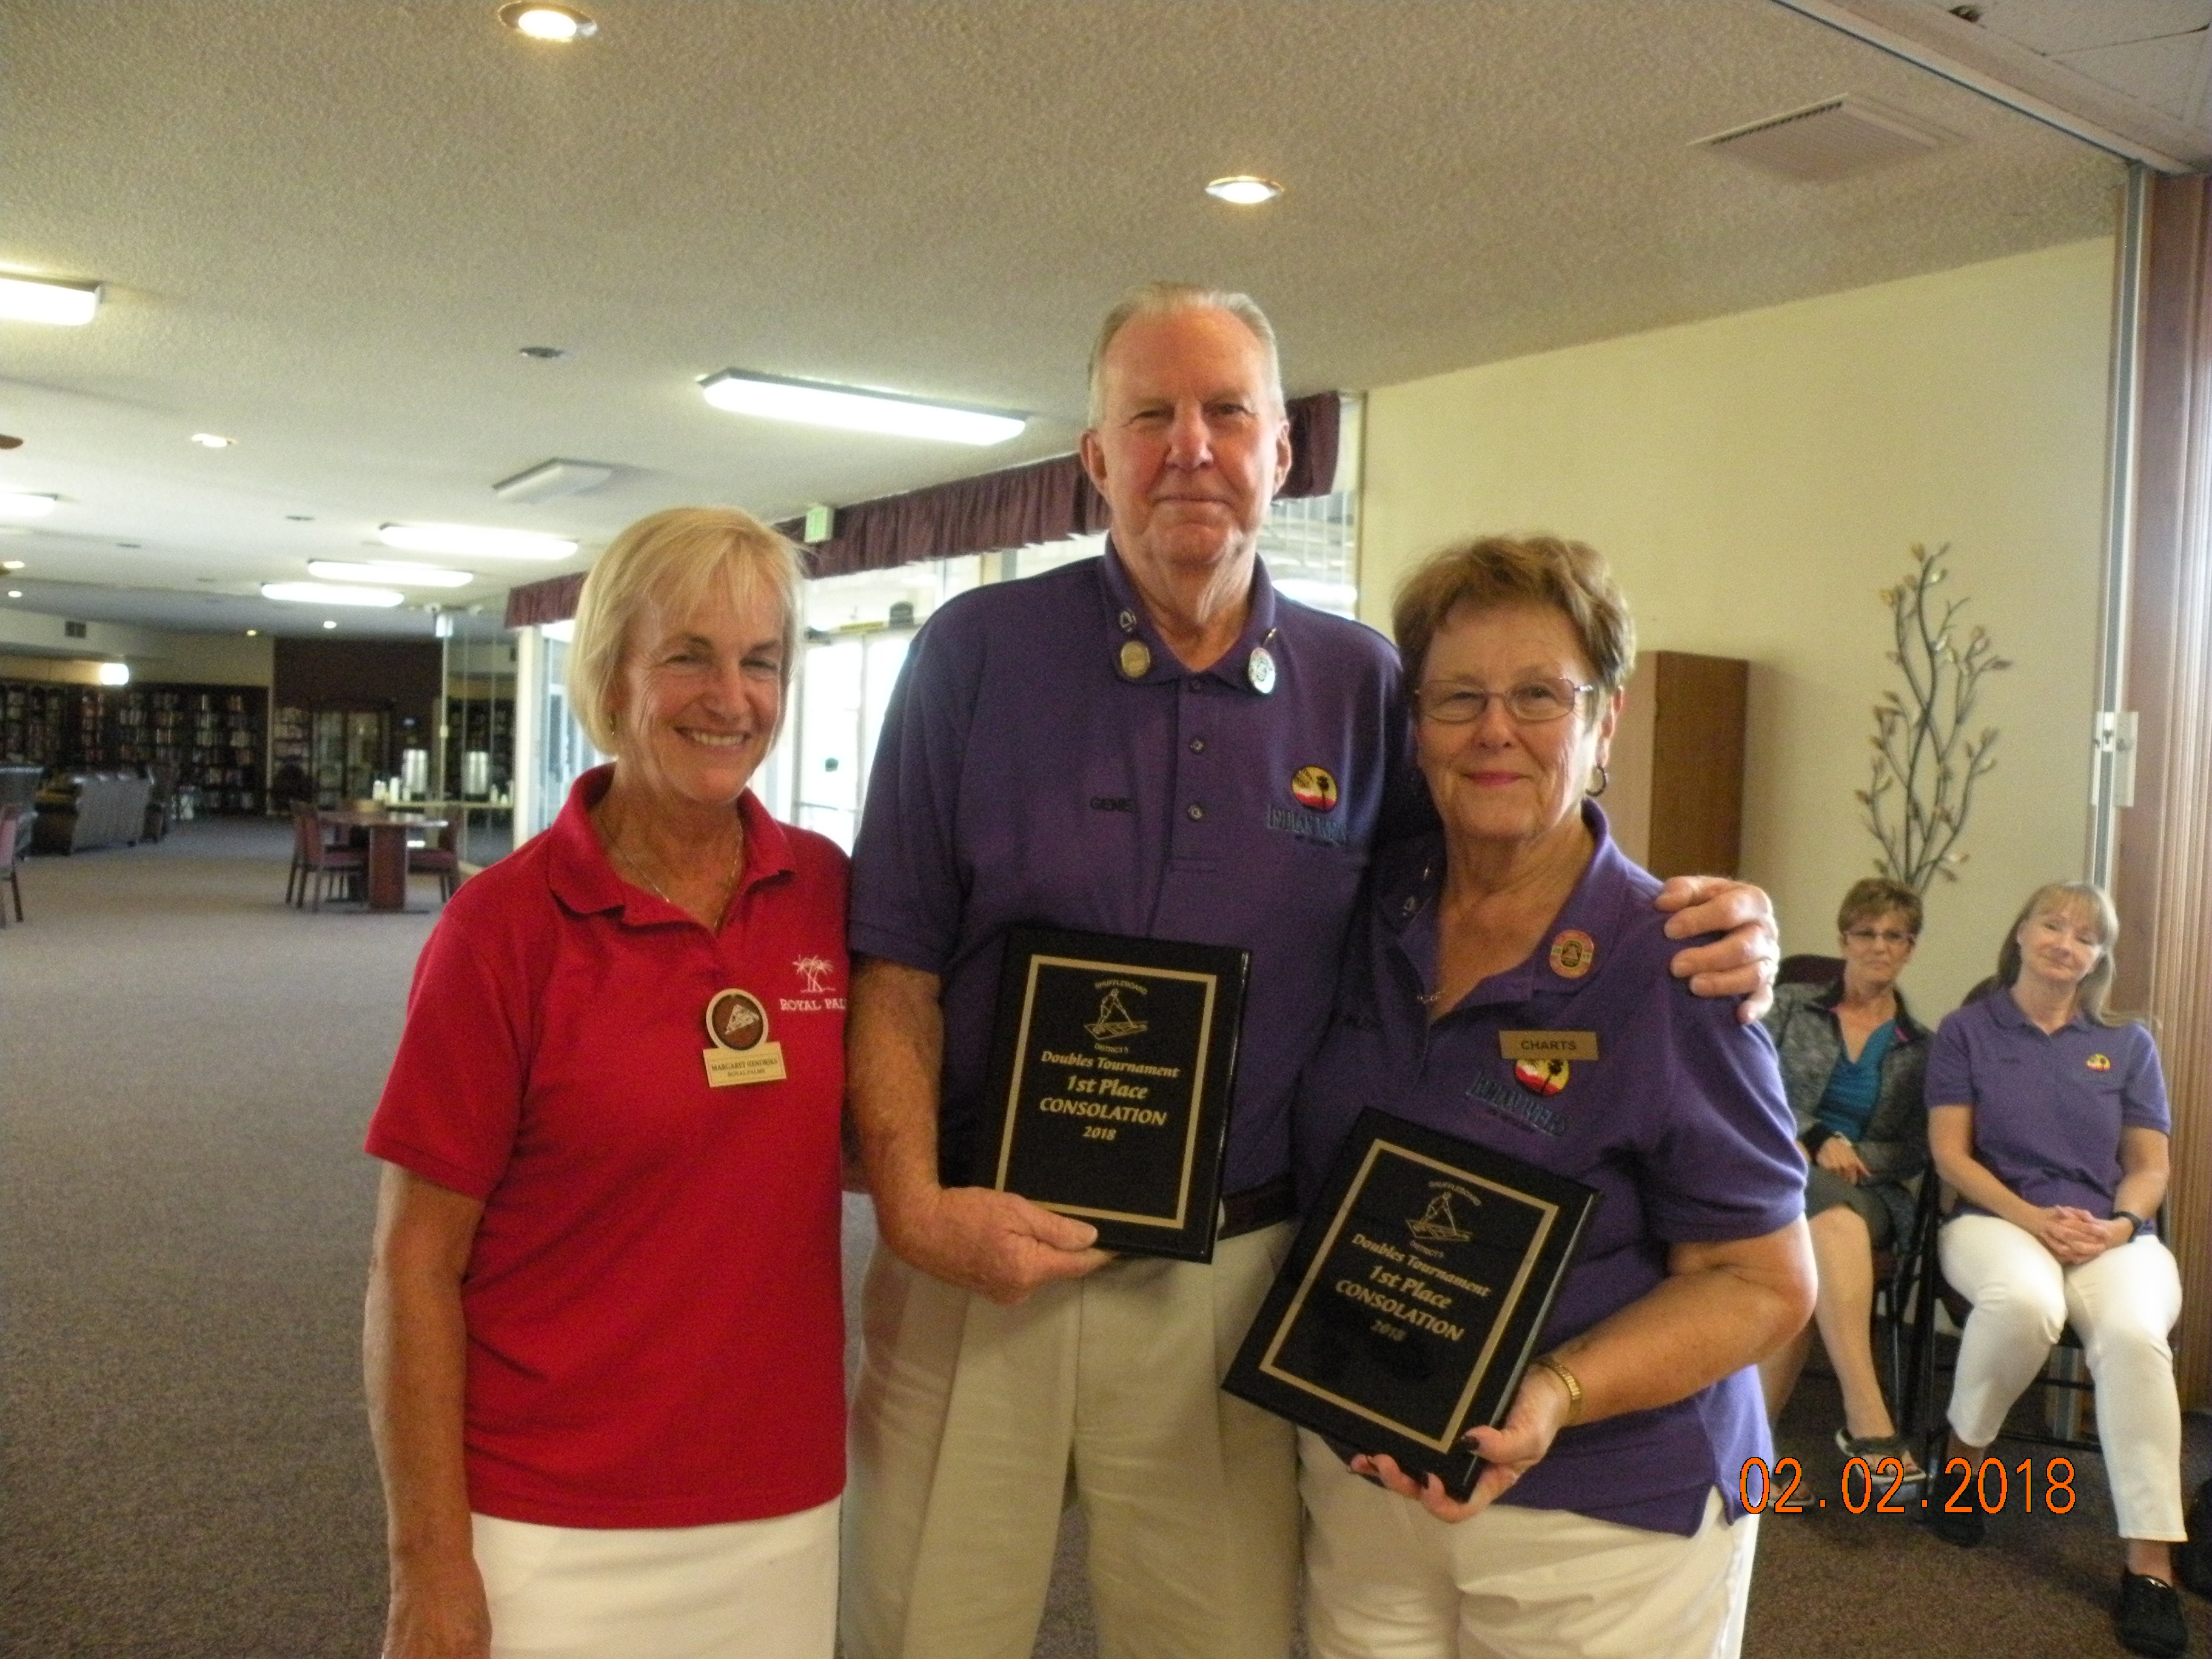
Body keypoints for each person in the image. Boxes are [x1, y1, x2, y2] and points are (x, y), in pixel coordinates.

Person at [841, 281, 1783, 1659]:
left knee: (1214, 1632)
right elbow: (899, 959)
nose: (1190, 447)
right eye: (1148, 414)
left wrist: (1702, 914)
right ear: (1093, 455)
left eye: (1227, 412)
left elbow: (1500, 852)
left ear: (1285, 451)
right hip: (978, 1253)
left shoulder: (1362, 684)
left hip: (1236, 1270)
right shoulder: (976, 656)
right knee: (927, 1622)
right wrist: (916, 1209)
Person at [1291, 534, 1815, 1659]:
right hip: (1368, 1479)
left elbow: (1762, 1285)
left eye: (1539, 694)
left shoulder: (1676, 961)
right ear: (1413, 725)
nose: (1494, 730)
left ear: (1604, 721)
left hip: (1602, 1520)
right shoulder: (1361, 911)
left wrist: (1554, 1391)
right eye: (1457, 698)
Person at [362, 508, 848, 1659]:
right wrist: (427, 1564)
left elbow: (882, 1134)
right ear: (612, 673)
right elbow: (413, 1264)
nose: (727, 696)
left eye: (759, 660)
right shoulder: (502, 929)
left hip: (780, 1502)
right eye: (686, 654)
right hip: (547, 1518)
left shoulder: (828, 891)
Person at [1924, 882, 2188, 1659]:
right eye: (2052, 924)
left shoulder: (2128, 1044)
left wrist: (2118, 1225)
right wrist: (2033, 1218)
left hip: (2106, 1232)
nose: (2066, 942)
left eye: (2086, 935)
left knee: (2137, 1337)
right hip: (1995, 1221)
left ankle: (2150, 1566)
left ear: (2098, 958)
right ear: (2021, 932)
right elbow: (1950, 1156)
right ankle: (1963, 1467)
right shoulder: (1967, 1030)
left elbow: (2149, 1168)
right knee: (2025, 1305)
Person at [1755, 877, 1930, 1467]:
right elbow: (1746, 1088)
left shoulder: (1921, 1047)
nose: (1879, 946)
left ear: (1910, 948)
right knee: (1817, 1235)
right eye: (1867, 933)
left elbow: (1916, 1148)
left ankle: (1750, 1455)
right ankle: (1868, 1421)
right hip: (1776, 1173)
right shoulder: (1788, 1008)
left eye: (1895, 936)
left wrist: (1856, 1157)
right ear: (1844, 939)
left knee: (1824, 1230)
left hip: (1870, 1196)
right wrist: (1815, 1135)